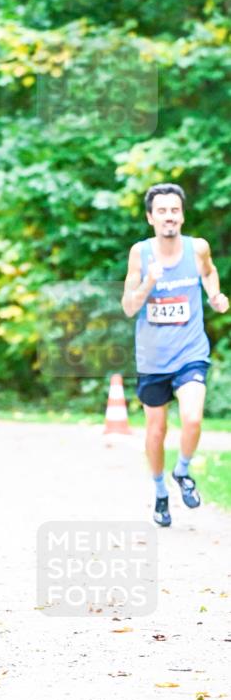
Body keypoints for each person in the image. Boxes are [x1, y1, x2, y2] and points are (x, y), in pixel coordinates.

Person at [121, 183, 228, 527]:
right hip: (153, 359)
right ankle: (160, 492)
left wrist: (215, 295)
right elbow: (128, 307)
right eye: (162, 211)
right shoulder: (140, 253)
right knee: (156, 431)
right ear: (151, 217)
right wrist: (148, 283)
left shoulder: (197, 248)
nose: (170, 217)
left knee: (193, 418)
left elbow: (210, 273)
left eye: (175, 210)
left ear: (182, 214)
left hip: (190, 351)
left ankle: (182, 471)